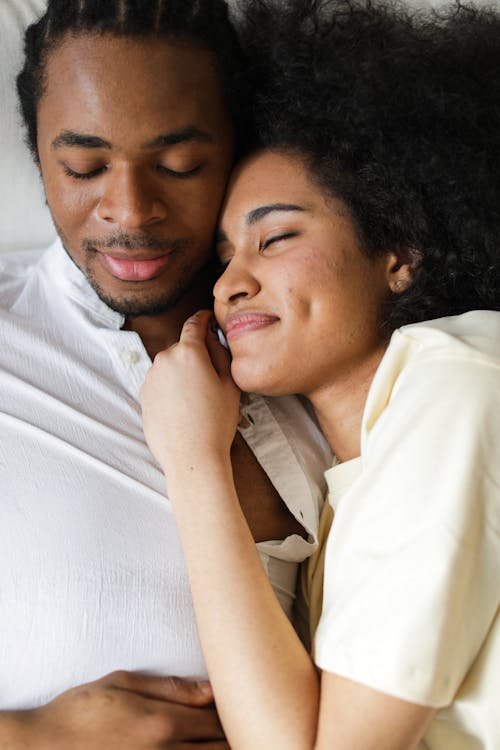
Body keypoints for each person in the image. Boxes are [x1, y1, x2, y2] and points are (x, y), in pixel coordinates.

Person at [141, 1, 500, 748]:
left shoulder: (457, 382)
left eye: (274, 237)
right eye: (225, 256)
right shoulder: (343, 491)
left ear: (399, 255)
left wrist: (193, 463)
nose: (230, 283)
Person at [0, 0, 332, 747]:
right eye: (83, 166)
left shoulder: (328, 344)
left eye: (179, 165)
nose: (129, 211)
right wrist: (26, 735)